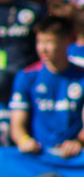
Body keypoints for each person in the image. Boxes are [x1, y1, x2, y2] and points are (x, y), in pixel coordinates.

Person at [10, 14, 84, 156]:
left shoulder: (81, 77)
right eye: (39, 42)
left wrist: (78, 142)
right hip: (40, 155)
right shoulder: (27, 76)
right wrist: (24, 140)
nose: (43, 49)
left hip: (74, 155)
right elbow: (17, 125)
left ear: (67, 41)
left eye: (49, 42)